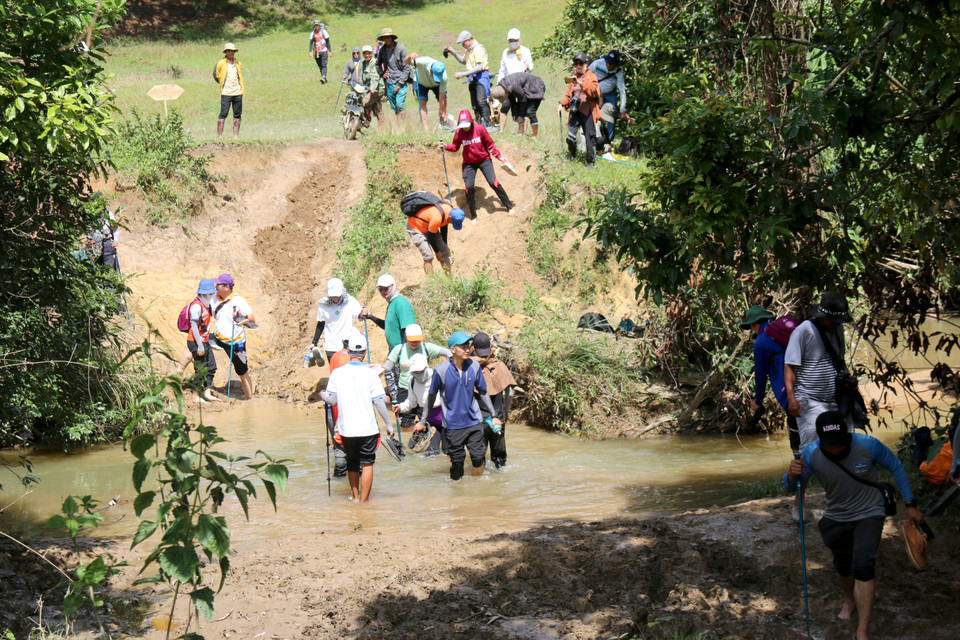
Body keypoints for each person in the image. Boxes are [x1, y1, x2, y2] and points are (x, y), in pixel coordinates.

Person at [785, 410, 923, 640]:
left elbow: (896, 467)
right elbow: (793, 488)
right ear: (820, 439)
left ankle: (862, 631)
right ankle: (849, 600)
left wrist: (910, 504)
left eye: (839, 443)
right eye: (830, 445)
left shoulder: (868, 445)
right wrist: (790, 476)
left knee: (863, 564)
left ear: (846, 434)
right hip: (836, 514)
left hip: (870, 511)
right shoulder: (810, 454)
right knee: (843, 565)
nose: (836, 449)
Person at [321, 333, 395, 504]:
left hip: (347, 429)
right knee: (367, 463)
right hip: (368, 429)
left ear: (348, 351)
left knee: (352, 462)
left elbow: (332, 400)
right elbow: (379, 401)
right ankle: (364, 501)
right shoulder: (370, 374)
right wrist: (389, 425)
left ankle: (355, 497)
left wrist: (323, 395)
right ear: (365, 352)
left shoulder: (338, 374)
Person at [418, 332, 501, 480]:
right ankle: (458, 496)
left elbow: (482, 391)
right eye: (462, 346)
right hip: (453, 425)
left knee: (478, 459)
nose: (467, 349)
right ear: (452, 350)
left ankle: (476, 492)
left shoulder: (474, 366)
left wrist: (494, 415)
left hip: (474, 422)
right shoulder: (441, 370)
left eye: (468, 346)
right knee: (457, 464)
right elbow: (431, 397)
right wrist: (423, 421)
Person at [785, 292, 854, 450]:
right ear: (821, 316)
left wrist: (848, 379)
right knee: (811, 445)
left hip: (835, 399)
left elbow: (840, 360)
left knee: (844, 441)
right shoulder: (803, 332)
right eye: (831, 320)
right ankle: (806, 474)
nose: (834, 323)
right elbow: (789, 366)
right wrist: (791, 398)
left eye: (838, 321)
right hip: (809, 399)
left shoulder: (837, 329)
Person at [442, 110, 515, 223]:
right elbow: (455, 147)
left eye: (467, 125)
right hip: (469, 163)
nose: (465, 128)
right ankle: (473, 215)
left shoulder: (480, 128)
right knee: (469, 187)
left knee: (493, 183)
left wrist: (499, 156)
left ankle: (509, 206)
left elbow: (490, 144)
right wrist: (446, 146)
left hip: (484, 160)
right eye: (463, 126)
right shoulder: (459, 132)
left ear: (471, 121)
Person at [383, 323, 452, 428]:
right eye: (412, 340)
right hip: (405, 388)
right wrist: (377, 367)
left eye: (417, 339)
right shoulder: (399, 349)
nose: (415, 342)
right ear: (406, 338)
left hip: (423, 389)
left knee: (425, 423)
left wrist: (451, 367)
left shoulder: (426, 347)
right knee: (406, 424)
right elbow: (388, 367)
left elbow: (448, 353)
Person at [472, 331, 516, 469]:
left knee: (479, 456)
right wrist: (505, 412)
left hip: (479, 418)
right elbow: (509, 392)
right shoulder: (500, 365)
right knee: (499, 457)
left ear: (473, 349)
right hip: (498, 417)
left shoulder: (470, 367)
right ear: (491, 348)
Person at [211, 272, 256, 399]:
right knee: (199, 348)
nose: (216, 286)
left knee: (242, 371)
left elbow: (252, 320)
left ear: (226, 287)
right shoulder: (214, 299)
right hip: (218, 338)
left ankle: (250, 400)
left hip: (236, 341)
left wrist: (241, 317)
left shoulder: (239, 301)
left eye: (218, 284)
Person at [444, 31, 497, 131]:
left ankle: (488, 125)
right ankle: (479, 125)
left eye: (463, 43)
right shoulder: (469, 50)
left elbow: (479, 67)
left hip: (481, 77)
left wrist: (463, 74)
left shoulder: (478, 49)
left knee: (481, 101)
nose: (463, 46)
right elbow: (464, 61)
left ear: (469, 40)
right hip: (472, 78)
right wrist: (454, 53)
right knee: (474, 104)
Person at [558, 52, 602, 167]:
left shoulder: (591, 76)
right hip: (575, 110)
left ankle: (590, 162)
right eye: (576, 63)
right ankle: (573, 154)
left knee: (589, 138)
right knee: (570, 137)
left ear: (586, 64)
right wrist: (561, 104)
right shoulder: (573, 78)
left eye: (580, 63)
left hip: (588, 111)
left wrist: (580, 83)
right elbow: (568, 95)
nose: (578, 65)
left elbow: (594, 92)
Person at [307, 277, 363, 366]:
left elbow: (360, 315)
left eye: (337, 296)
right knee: (334, 371)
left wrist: (363, 313)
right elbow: (321, 324)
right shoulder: (323, 305)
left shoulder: (350, 301)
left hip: (346, 346)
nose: (335, 299)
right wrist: (314, 342)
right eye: (333, 297)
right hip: (330, 346)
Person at [398, 354, 445, 453]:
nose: (418, 373)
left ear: (426, 367)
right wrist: (400, 408)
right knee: (431, 453)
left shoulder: (437, 376)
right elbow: (412, 401)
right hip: (429, 423)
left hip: (446, 421)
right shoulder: (412, 381)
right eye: (415, 372)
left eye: (421, 371)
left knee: (448, 453)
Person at [405, 197, 465, 274]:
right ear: (450, 217)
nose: (452, 224)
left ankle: (449, 281)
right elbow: (431, 236)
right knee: (428, 256)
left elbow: (444, 226)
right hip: (416, 228)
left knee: (445, 252)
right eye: (453, 222)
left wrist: (444, 245)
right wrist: (437, 252)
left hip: (429, 226)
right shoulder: (437, 217)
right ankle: (432, 282)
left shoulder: (449, 210)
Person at [360, 274, 417, 354]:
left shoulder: (401, 304)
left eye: (386, 288)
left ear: (393, 286)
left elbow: (409, 330)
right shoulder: (392, 304)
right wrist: (371, 317)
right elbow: (388, 326)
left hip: (402, 353)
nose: (383, 291)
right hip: (394, 353)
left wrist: (403, 355)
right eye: (380, 289)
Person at [186, 279, 219, 403]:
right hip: (196, 341)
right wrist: (200, 346)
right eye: (211, 293)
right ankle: (195, 396)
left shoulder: (206, 305)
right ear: (204, 294)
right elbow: (194, 326)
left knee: (211, 367)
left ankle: (207, 392)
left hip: (204, 341)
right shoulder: (196, 306)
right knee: (200, 369)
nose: (212, 295)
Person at [589, 50, 628, 149]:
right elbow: (586, 76)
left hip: (610, 94)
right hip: (596, 93)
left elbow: (622, 90)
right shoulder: (597, 64)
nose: (609, 66)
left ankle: (608, 142)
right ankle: (594, 140)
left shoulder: (619, 72)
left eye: (612, 65)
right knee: (594, 116)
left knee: (610, 118)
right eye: (608, 63)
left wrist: (622, 110)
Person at [491, 72, 544, 140]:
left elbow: (523, 101)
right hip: (525, 89)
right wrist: (514, 113)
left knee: (530, 112)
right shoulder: (503, 85)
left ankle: (534, 136)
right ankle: (521, 134)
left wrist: (521, 115)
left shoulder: (514, 87)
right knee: (519, 112)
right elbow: (512, 99)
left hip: (536, 87)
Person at [404, 52, 449, 130]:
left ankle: (445, 124)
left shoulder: (443, 76)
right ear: (431, 70)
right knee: (422, 102)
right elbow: (406, 62)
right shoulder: (423, 61)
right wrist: (409, 56)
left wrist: (441, 108)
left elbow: (442, 94)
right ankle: (425, 128)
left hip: (436, 86)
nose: (437, 79)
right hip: (421, 82)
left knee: (444, 101)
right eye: (435, 76)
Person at [375, 28, 408, 118]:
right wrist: (382, 73)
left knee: (400, 104)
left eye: (388, 37)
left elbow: (407, 67)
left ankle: (402, 125)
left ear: (392, 38)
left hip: (401, 81)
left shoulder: (401, 49)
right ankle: (398, 126)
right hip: (389, 82)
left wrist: (400, 84)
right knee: (393, 107)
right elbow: (377, 64)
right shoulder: (382, 50)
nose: (387, 39)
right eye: (385, 38)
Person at [213, 43, 244, 139]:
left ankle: (235, 136)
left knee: (237, 113)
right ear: (226, 52)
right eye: (229, 51)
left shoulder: (238, 63)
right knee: (224, 113)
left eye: (232, 51)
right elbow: (216, 75)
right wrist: (223, 83)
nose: (231, 53)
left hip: (237, 92)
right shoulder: (221, 63)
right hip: (226, 92)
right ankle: (219, 136)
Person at [359, 45, 385, 128]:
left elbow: (375, 76)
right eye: (365, 53)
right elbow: (362, 77)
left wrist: (372, 87)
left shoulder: (374, 63)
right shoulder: (363, 63)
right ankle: (381, 129)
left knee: (364, 102)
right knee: (377, 109)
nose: (367, 55)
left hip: (377, 89)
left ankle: (366, 120)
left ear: (371, 54)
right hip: (369, 89)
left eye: (369, 53)